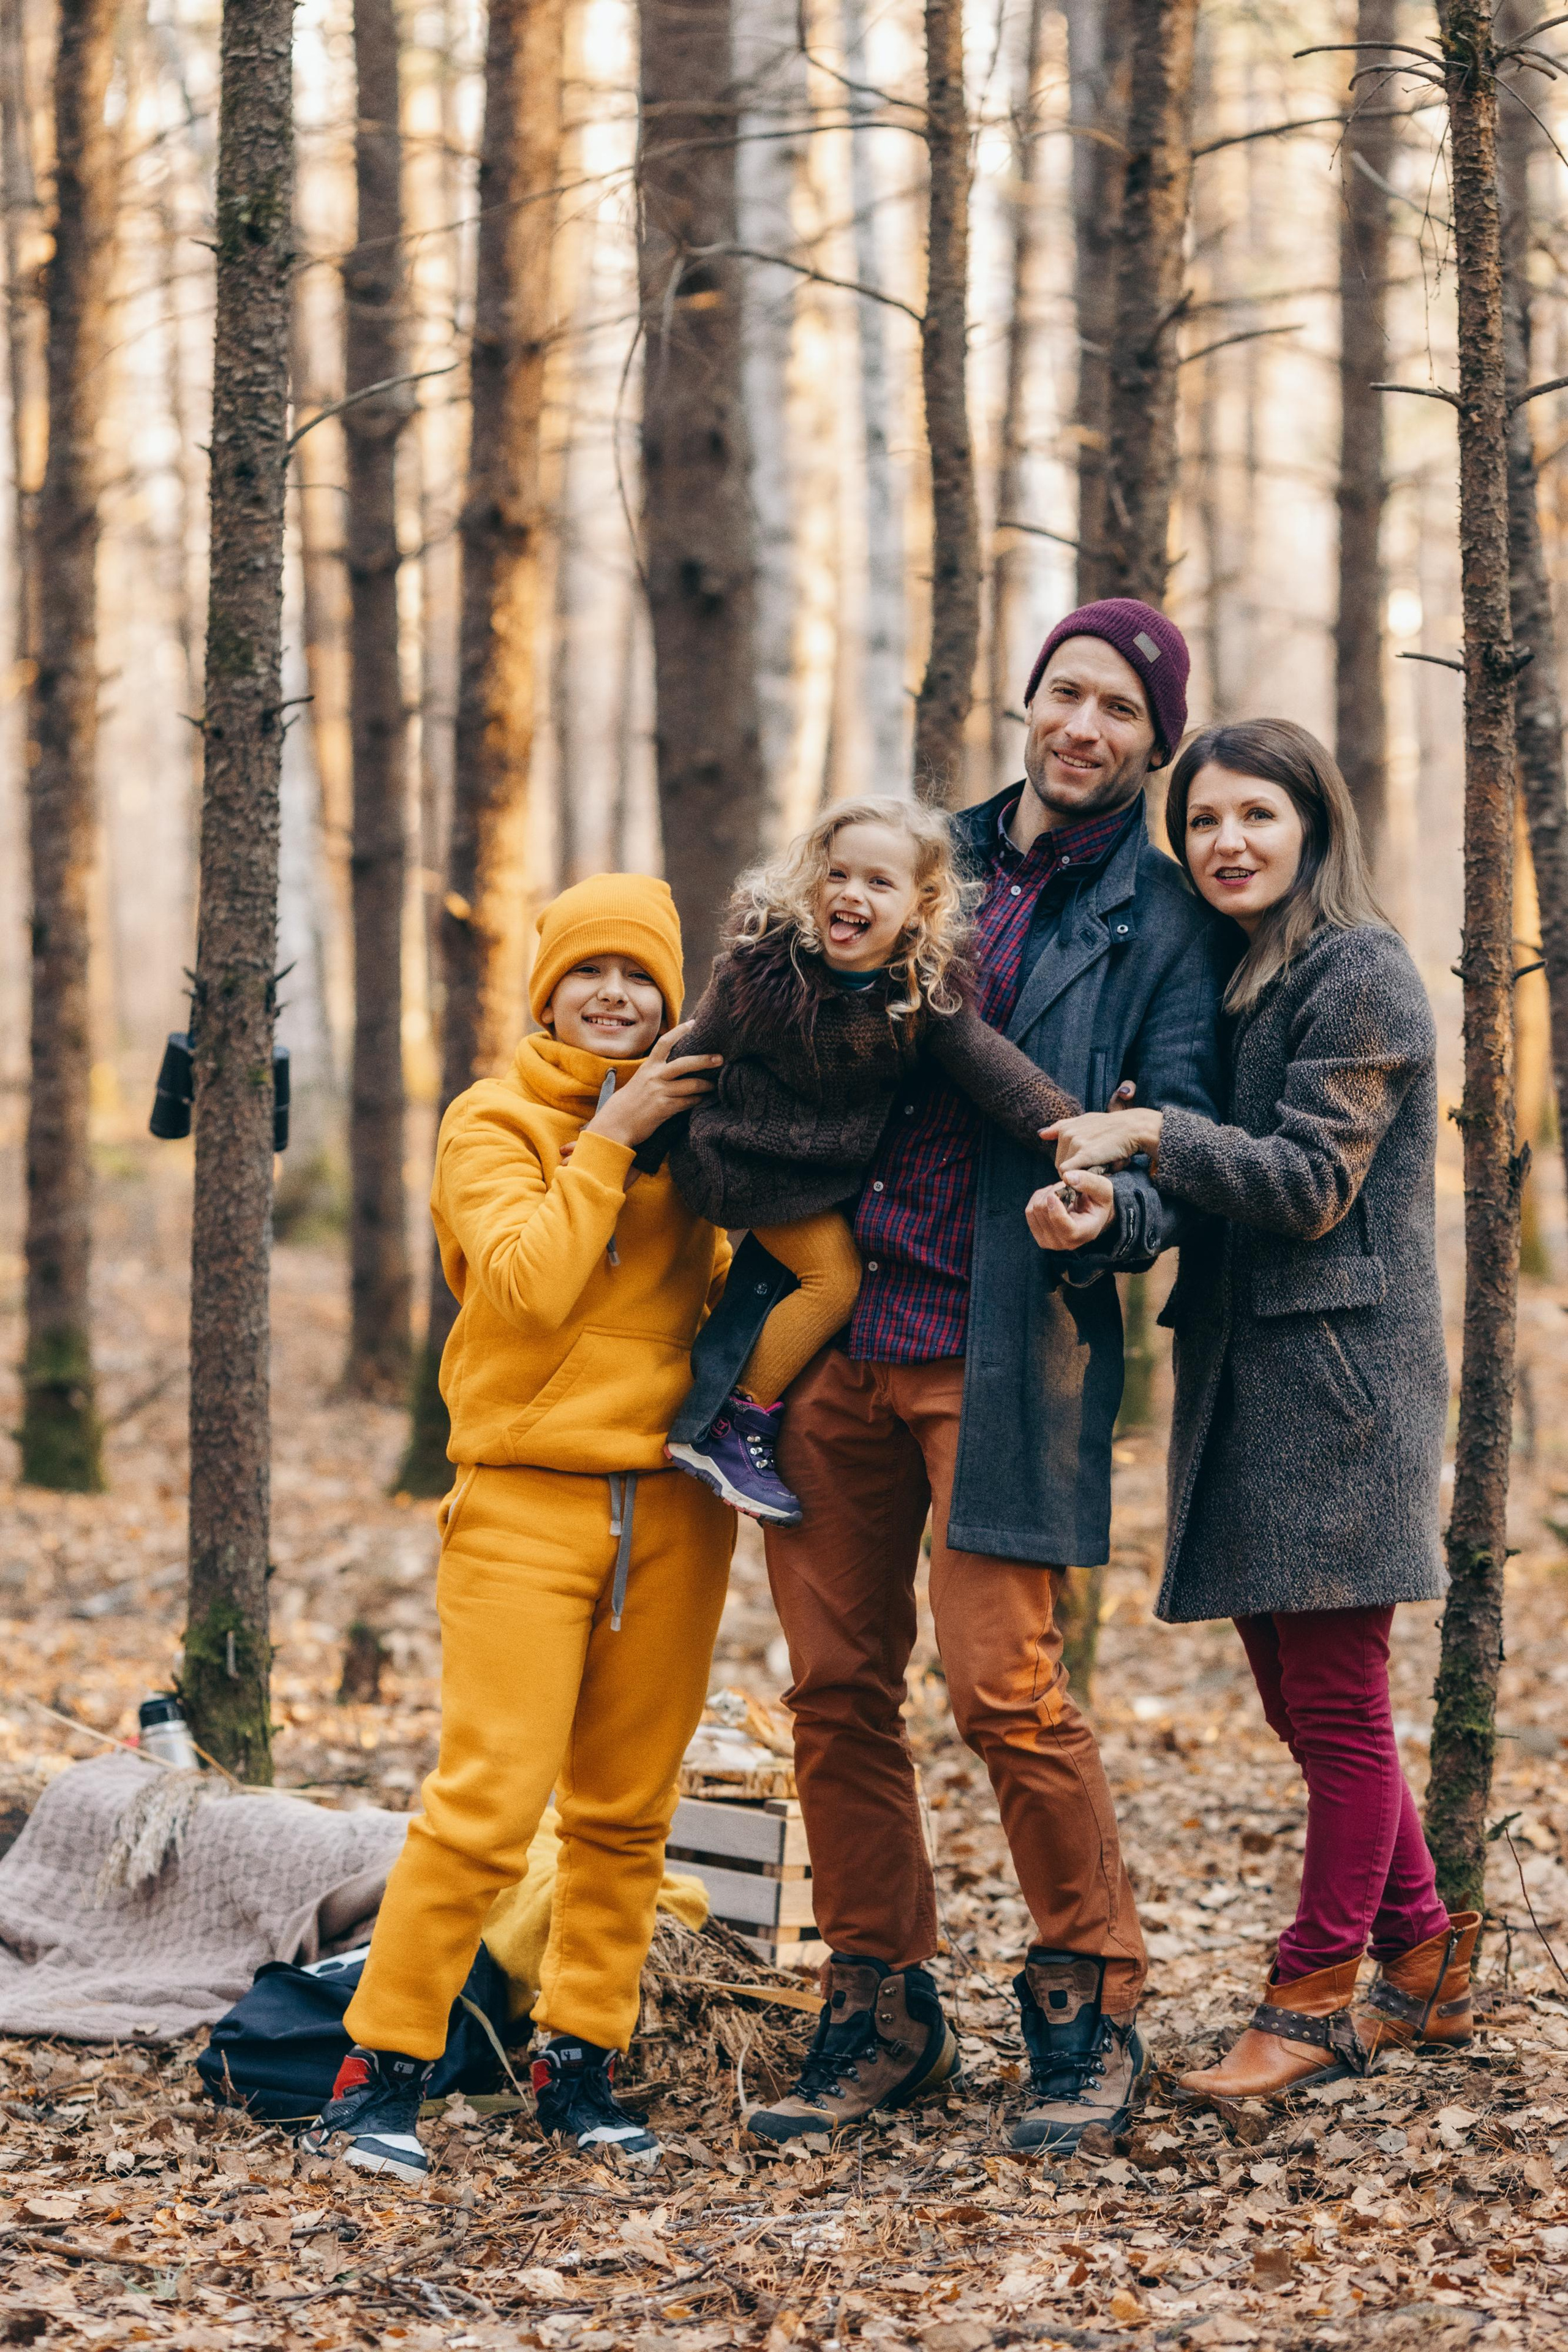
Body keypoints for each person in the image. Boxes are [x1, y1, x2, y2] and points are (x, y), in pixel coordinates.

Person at [674, 598, 1231, 2153]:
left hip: (1002, 1337)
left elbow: (1169, 1134)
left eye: (1119, 711)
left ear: (1152, 740)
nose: (1082, 728)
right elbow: (764, 998)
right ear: (1027, 698)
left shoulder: (1165, 921)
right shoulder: (916, 855)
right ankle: (881, 2000)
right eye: (1065, 693)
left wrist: (1110, 1207)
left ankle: (1086, 1994)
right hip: (819, 1327)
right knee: (834, 1687)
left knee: (1004, 1685)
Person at [1049, 718, 1471, 2100]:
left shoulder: (1360, 974)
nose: (1224, 842)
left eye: (1255, 817)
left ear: (1312, 829)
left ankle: (1310, 1997)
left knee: (1338, 1713)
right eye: (1203, 823)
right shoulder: (1245, 979)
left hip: (1341, 1392)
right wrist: (1118, 1180)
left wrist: (1157, 1132)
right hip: (1247, 1382)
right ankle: (1422, 1959)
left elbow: (1303, 1186)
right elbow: (1219, 1180)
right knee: (1300, 1710)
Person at [305, 873, 734, 2180]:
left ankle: (578, 2067)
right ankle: (378, 2073)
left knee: (624, 1813)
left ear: (671, 994)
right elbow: (525, 1288)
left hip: (671, 1509)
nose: (615, 997)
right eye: (588, 973)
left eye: (640, 978)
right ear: (544, 987)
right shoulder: (491, 1123)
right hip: (522, 1504)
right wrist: (613, 1137)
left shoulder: (706, 1135)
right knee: (485, 1808)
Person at [644, 796, 1080, 1525]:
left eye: (879, 883)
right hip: (740, 1161)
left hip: (819, 1177)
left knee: (808, 1278)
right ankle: (729, 1424)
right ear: (811, 881)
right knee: (835, 1280)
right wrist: (622, 1145)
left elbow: (995, 1071)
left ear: (919, 906)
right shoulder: (756, 973)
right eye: (837, 874)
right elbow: (690, 1058)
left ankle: (728, 1411)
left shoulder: (918, 994)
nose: (851, 894)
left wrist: (1075, 1131)